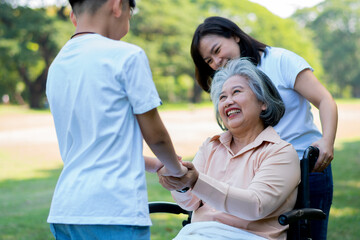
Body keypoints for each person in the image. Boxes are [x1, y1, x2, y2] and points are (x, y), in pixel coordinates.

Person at [45, 0, 187, 239]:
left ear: (73, 16)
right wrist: (177, 172)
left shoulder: (57, 66)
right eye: (131, 14)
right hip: (113, 211)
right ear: (117, 5)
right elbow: (157, 136)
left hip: (65, 211)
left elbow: (96, 144)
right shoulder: (127, 55)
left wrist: (156, 166)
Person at [190, 16, 338, 240]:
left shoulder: (280, 60)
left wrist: (327, 140)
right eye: (208, 60)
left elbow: (325, 99)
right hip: (259, 172)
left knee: (310, 234)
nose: (216, 62)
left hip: (307, 166)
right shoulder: (230, 83)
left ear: (235, 36)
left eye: (217, 50)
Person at [159, 58, 301, 240]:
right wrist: (180, 184)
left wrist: (196, 182)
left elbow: (255, 206)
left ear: (263, 102)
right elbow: (190, 203)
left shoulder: (280, 152)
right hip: (198, 233)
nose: (228, 101)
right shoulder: (211, 146)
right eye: (222, 97)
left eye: (236, 92)